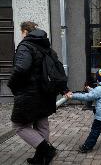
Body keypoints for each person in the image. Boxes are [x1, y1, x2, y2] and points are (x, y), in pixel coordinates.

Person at [7, 21, 69, 165]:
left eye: (21, 31)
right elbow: (57, 69)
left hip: (30, 94)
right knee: (41, 124)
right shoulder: (46, 47)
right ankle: (40, 158)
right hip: (46, 93)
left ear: (25, 32)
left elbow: (21, 69)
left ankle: (47, 151)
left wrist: (12, 85)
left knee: (19, 126)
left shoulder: (25, 46)